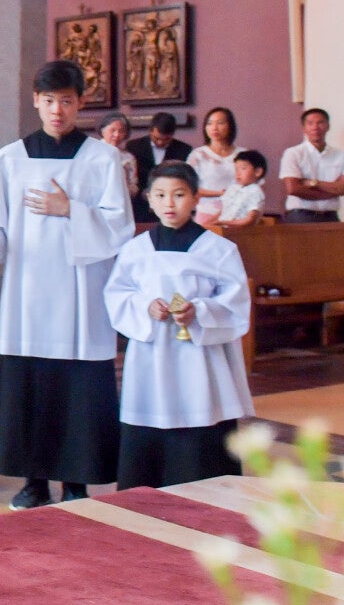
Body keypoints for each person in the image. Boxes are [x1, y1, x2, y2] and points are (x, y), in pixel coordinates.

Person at [0, 59, 135, 510]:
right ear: (35, 101)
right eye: (49, 101)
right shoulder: (11, 158)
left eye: (66, 101)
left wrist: (70, 210)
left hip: (81, 294)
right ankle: (34, 483)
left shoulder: (102, 158)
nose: (57, 110)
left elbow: (120, 227)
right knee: (32, 389)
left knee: (79, 392)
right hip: (28, 293)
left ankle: (77, 482)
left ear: (80, 103)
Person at [105, 162, 253, 490]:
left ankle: (208, 492)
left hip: (199, 359)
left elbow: (235, 301)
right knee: (149, 418)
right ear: (148, 198)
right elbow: (117, 293)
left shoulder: (218, 249)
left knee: (201, 418)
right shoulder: (135, 249)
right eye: (160, 195)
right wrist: (145, 307)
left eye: (179, 195)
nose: (169, 204)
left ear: (196, 197)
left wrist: (199, 311)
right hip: (151, 356)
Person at [280, 108, 344, 223]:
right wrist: (334, 190)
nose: (315, 127)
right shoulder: (293, 153)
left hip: (331, 216)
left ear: (328, 126)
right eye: (310, 123)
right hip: (301, 216)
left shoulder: (341, 155)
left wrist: (314, 183)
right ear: (303, 128)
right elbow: (293, 189)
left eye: (320, 122)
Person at [131, 111, 192, 225]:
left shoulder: (184, 150)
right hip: (140, 206)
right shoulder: (134, 147)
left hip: (170, 206)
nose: (160, 142)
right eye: (156, 138)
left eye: (166, 139)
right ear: (150, 130)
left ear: (173, 134)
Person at [186, 106, 242, 227]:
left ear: (230, 126)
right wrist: (219, 193)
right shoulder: (198, 155)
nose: (214, 128)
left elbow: (253, 186)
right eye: (209, 123)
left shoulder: (242, 154)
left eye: (220, 123)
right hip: (207, 213)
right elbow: (188, 186)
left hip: (237, 214)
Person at [217, 150, 269, 229]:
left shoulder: (255, 191)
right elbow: (224, 211)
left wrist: (224, 222)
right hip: (224, 229)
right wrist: (209, 223)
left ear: (258, 172)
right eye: (236, 169)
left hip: (240, 232)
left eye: (243, 168)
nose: (238, 173)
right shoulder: (234, 188)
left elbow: (250, 220)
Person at [99, 111, 140, 200]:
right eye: (113, 130)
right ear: (103, 130)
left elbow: (133, 185)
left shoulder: (128, 158)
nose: (117, 135)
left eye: (121, 131)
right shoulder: (91, 152)